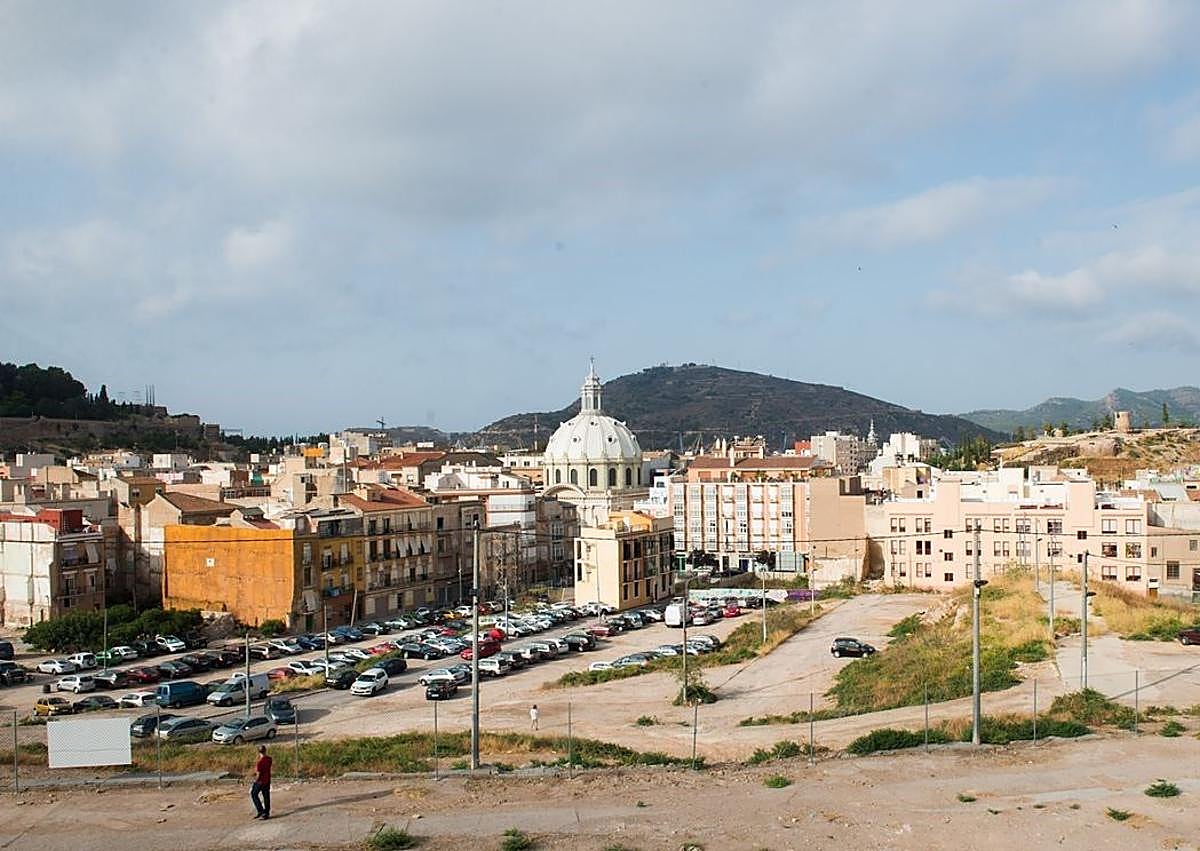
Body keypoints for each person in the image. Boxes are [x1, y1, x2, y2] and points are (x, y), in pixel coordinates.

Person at [251, 745, 272, 819]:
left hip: (261, 781)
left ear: (258, 752)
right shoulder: (269, 759)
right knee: (266, 796)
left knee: (253, 794)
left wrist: (255, 780)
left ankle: (260, 810)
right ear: (265, 750)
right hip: (267, 780)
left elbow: (259, 774)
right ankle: (266, 813)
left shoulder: (259, 762)